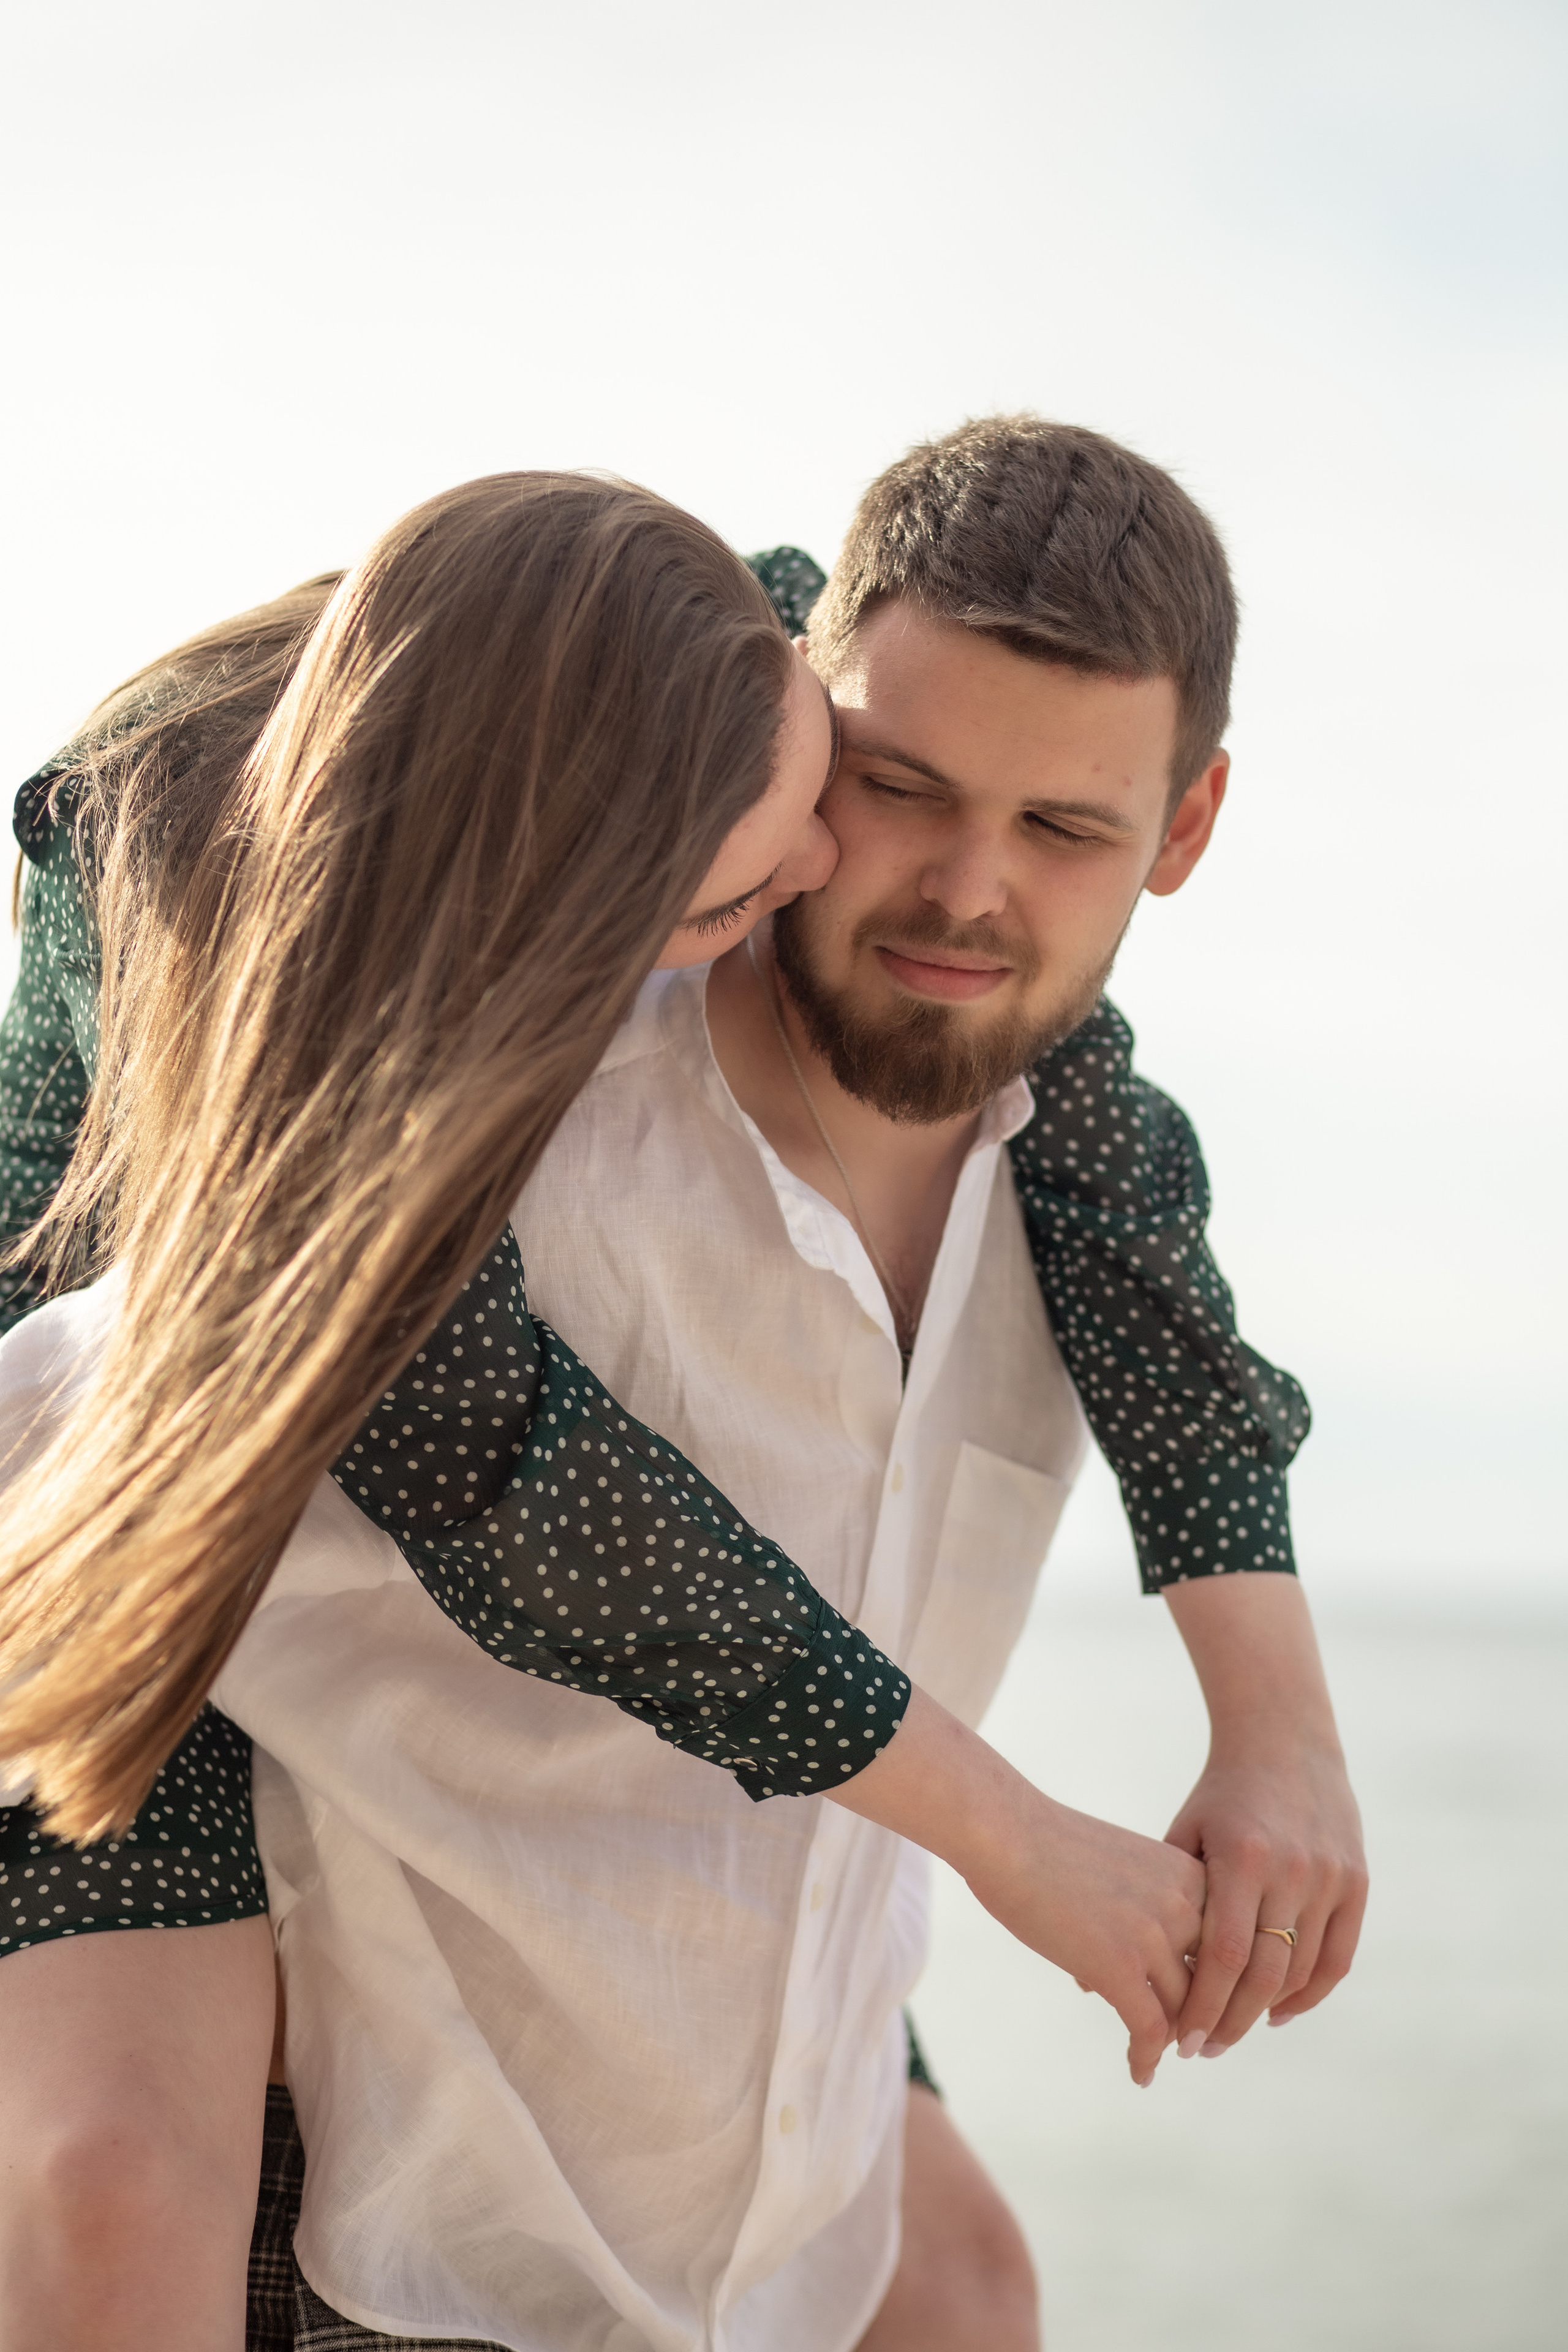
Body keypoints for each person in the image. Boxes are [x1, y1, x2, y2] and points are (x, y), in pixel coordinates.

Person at [0, 424, 1363, 2348]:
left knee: (959, 2283)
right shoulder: (300, 909)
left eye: (1065, 830)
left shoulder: (805, 715)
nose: (887, 871)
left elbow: (1120, 1180)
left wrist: (1278, 1724)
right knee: (117, 2185)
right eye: (880, 799)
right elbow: (513, 1473)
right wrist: (1015, 1836)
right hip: (118, 1555)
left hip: (679, 1717)